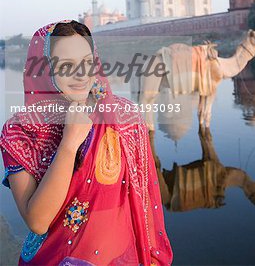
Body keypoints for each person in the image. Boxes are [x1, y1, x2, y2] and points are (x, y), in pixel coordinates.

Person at [0, 20, 174, 266]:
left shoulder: (124, 117)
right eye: (66, 66)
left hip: (122, 257)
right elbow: (38, 221)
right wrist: (69, 144)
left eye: (87, 63)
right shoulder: (20, 131)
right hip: (54, 258)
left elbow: (143, 197)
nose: (81, 75)